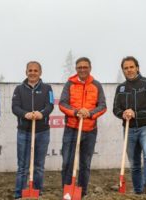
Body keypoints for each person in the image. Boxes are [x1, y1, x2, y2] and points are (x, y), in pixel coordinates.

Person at [59, 57, 107, 197]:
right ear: (76, 69)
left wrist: (89, 113)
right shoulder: (70, 84)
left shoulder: (96, 85)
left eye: (85, 67)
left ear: (90, 68)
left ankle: (82, 192)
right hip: (71, 128)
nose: (82, 69)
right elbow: (62, 103)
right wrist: (76, 112)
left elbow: (102, 106)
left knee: (85, 164)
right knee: (67, 163)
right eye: (79, 67)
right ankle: (67, 192)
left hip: (90, 130)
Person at [113, 56, 146, 194]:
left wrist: (136, 113)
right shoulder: (120, 88)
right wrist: (123, 113)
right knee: (134, 163)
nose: (129, 70)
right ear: (123, 70)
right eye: (126, 68)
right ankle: (138, 192)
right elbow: (115, 109)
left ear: (137, 68)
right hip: (129, 129)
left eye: (131, 67)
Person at [12, 61, 54, 199]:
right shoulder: (18, 89)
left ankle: (37, 193)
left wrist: (42, 113)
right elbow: (15, 107)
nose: (32, 73)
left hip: (42, 131)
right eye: (30, 70)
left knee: (39, 166)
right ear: (26, 72)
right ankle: (19, 194)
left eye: (36, 70)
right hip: (24, 132)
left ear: (40, 73)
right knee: (22, 166)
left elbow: (51, 105)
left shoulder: (48, 88)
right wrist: (25, 114)